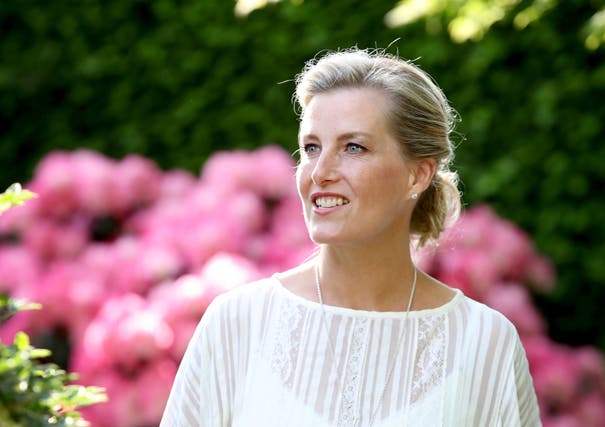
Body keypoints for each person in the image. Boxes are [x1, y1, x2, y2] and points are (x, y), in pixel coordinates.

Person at [160, 48, 541, 426]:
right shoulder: (237, 324)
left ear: (418, 175)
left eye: (353, 147)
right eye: (311, 148)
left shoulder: (485, 342)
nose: (320, 171)